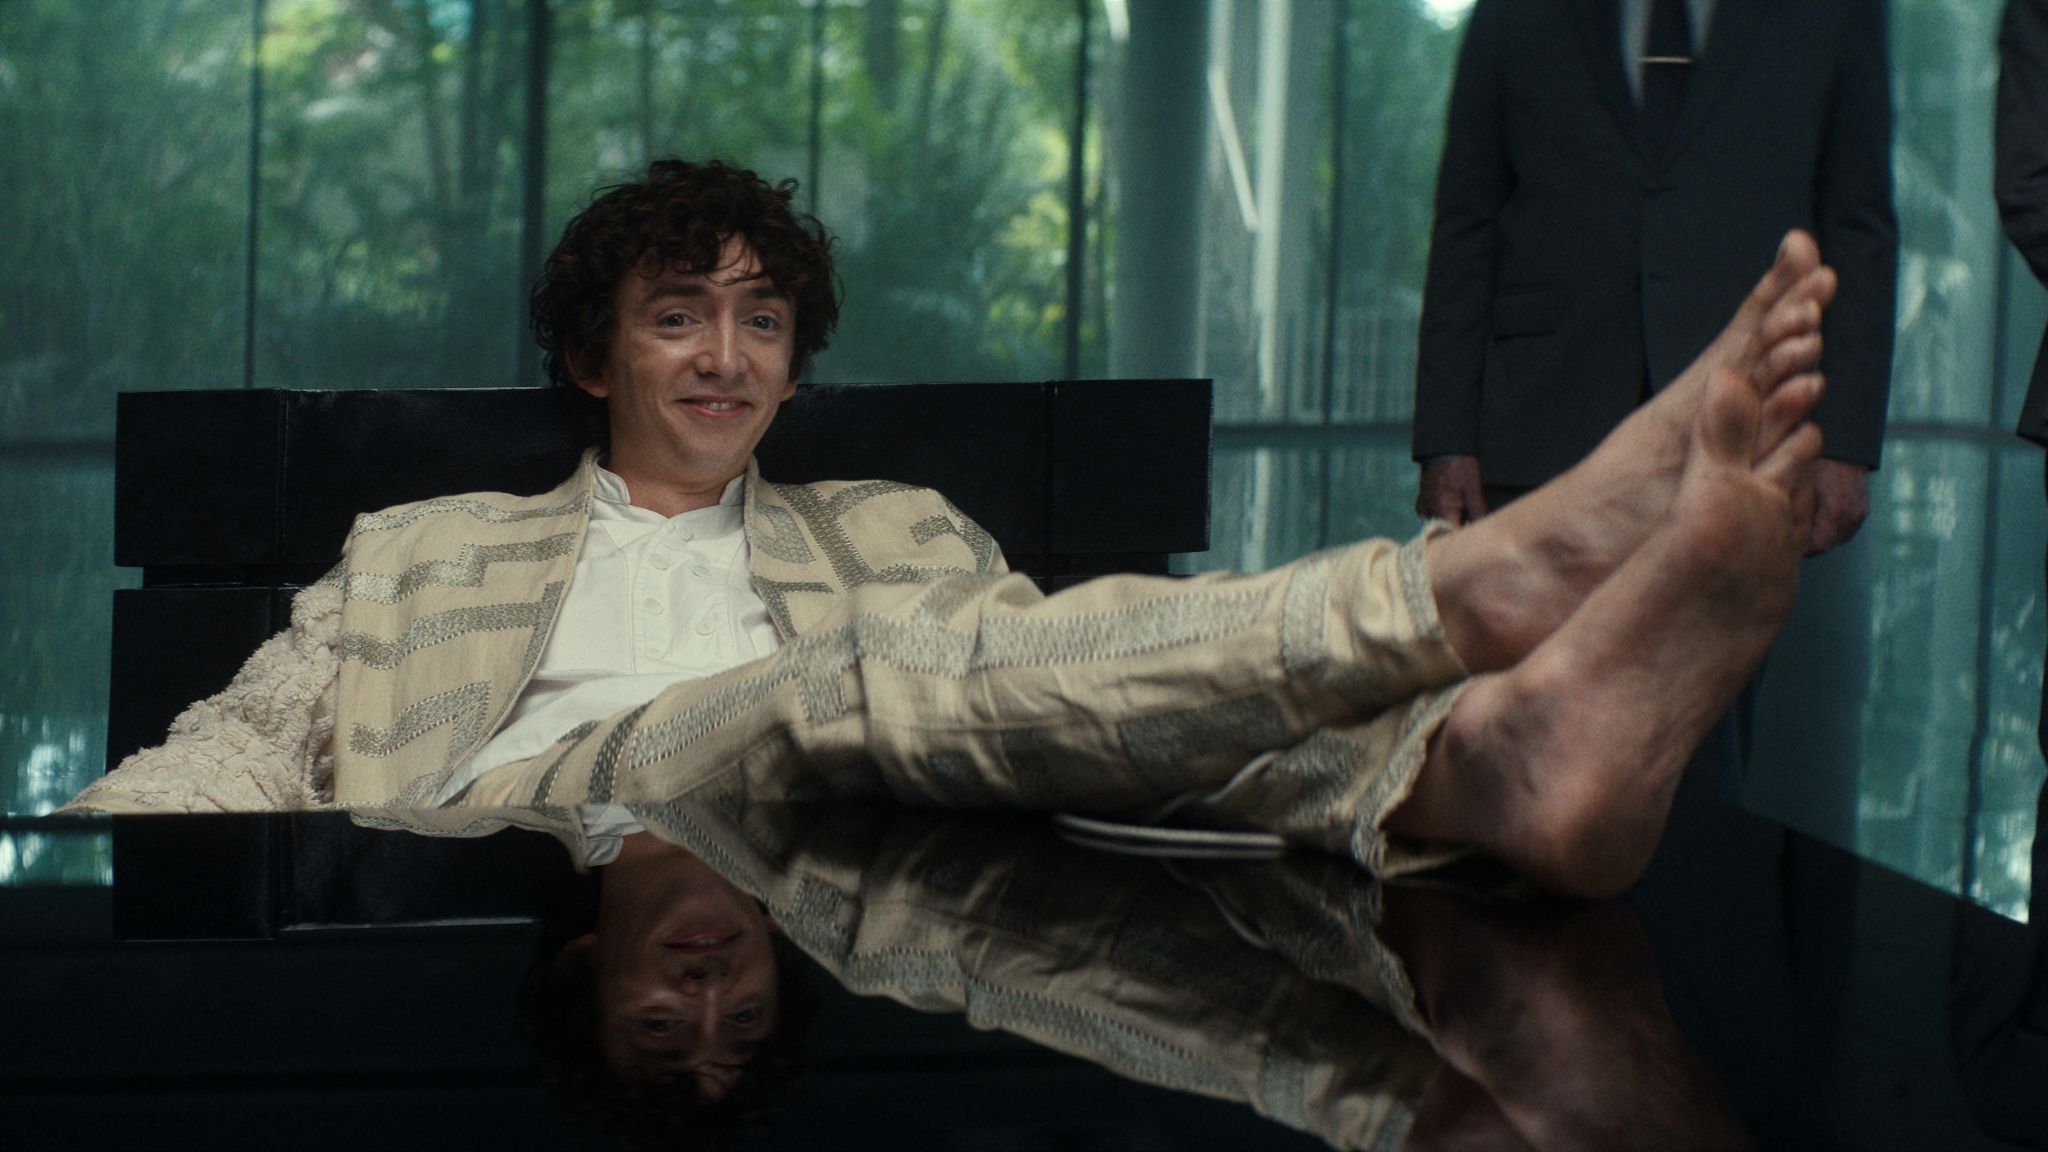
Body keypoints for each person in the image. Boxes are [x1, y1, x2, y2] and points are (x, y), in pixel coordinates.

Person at [68, 157, 1836, 904]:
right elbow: (235, 747)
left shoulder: (895, 529)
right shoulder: (420, 545)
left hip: (864, 870)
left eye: (762, 321)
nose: (726, 354)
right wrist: (66, 907)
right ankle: (1475, 582)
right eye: (678, 315)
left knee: (1033, 718)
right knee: (834, 683)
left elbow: (1048, 693)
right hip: (548, 826)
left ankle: (1483, 764)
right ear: (592, 354)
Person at [1411, 0, 1895, 554]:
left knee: (1720, 615)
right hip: (1539, 427)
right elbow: (1467, 223)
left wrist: (1845, 445)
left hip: (1747, 433)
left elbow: (1858, 226)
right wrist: (1446, 438)